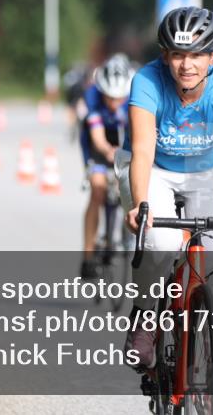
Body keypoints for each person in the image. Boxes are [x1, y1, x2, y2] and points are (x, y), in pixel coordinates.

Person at [116, 6, 213, 403]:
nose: (187, 65)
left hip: (212, 170)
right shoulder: (147, 80)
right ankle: (144, 317)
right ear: (165, 56)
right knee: (160, 243)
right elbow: (142, 149)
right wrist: (141, 204)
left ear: (212, 56)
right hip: (154, 168)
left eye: (196, 55)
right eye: (177, 55)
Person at [79, 54, 134, 278]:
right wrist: (107, 151)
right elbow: (98, 137)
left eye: (118, 98)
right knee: (98, 190)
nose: (113, 102)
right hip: (97, 146)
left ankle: (127, 236)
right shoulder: (92, 97)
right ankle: (88, 255)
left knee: (133, 187)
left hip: (125, 142)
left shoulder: (134, 96)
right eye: (109, 97)